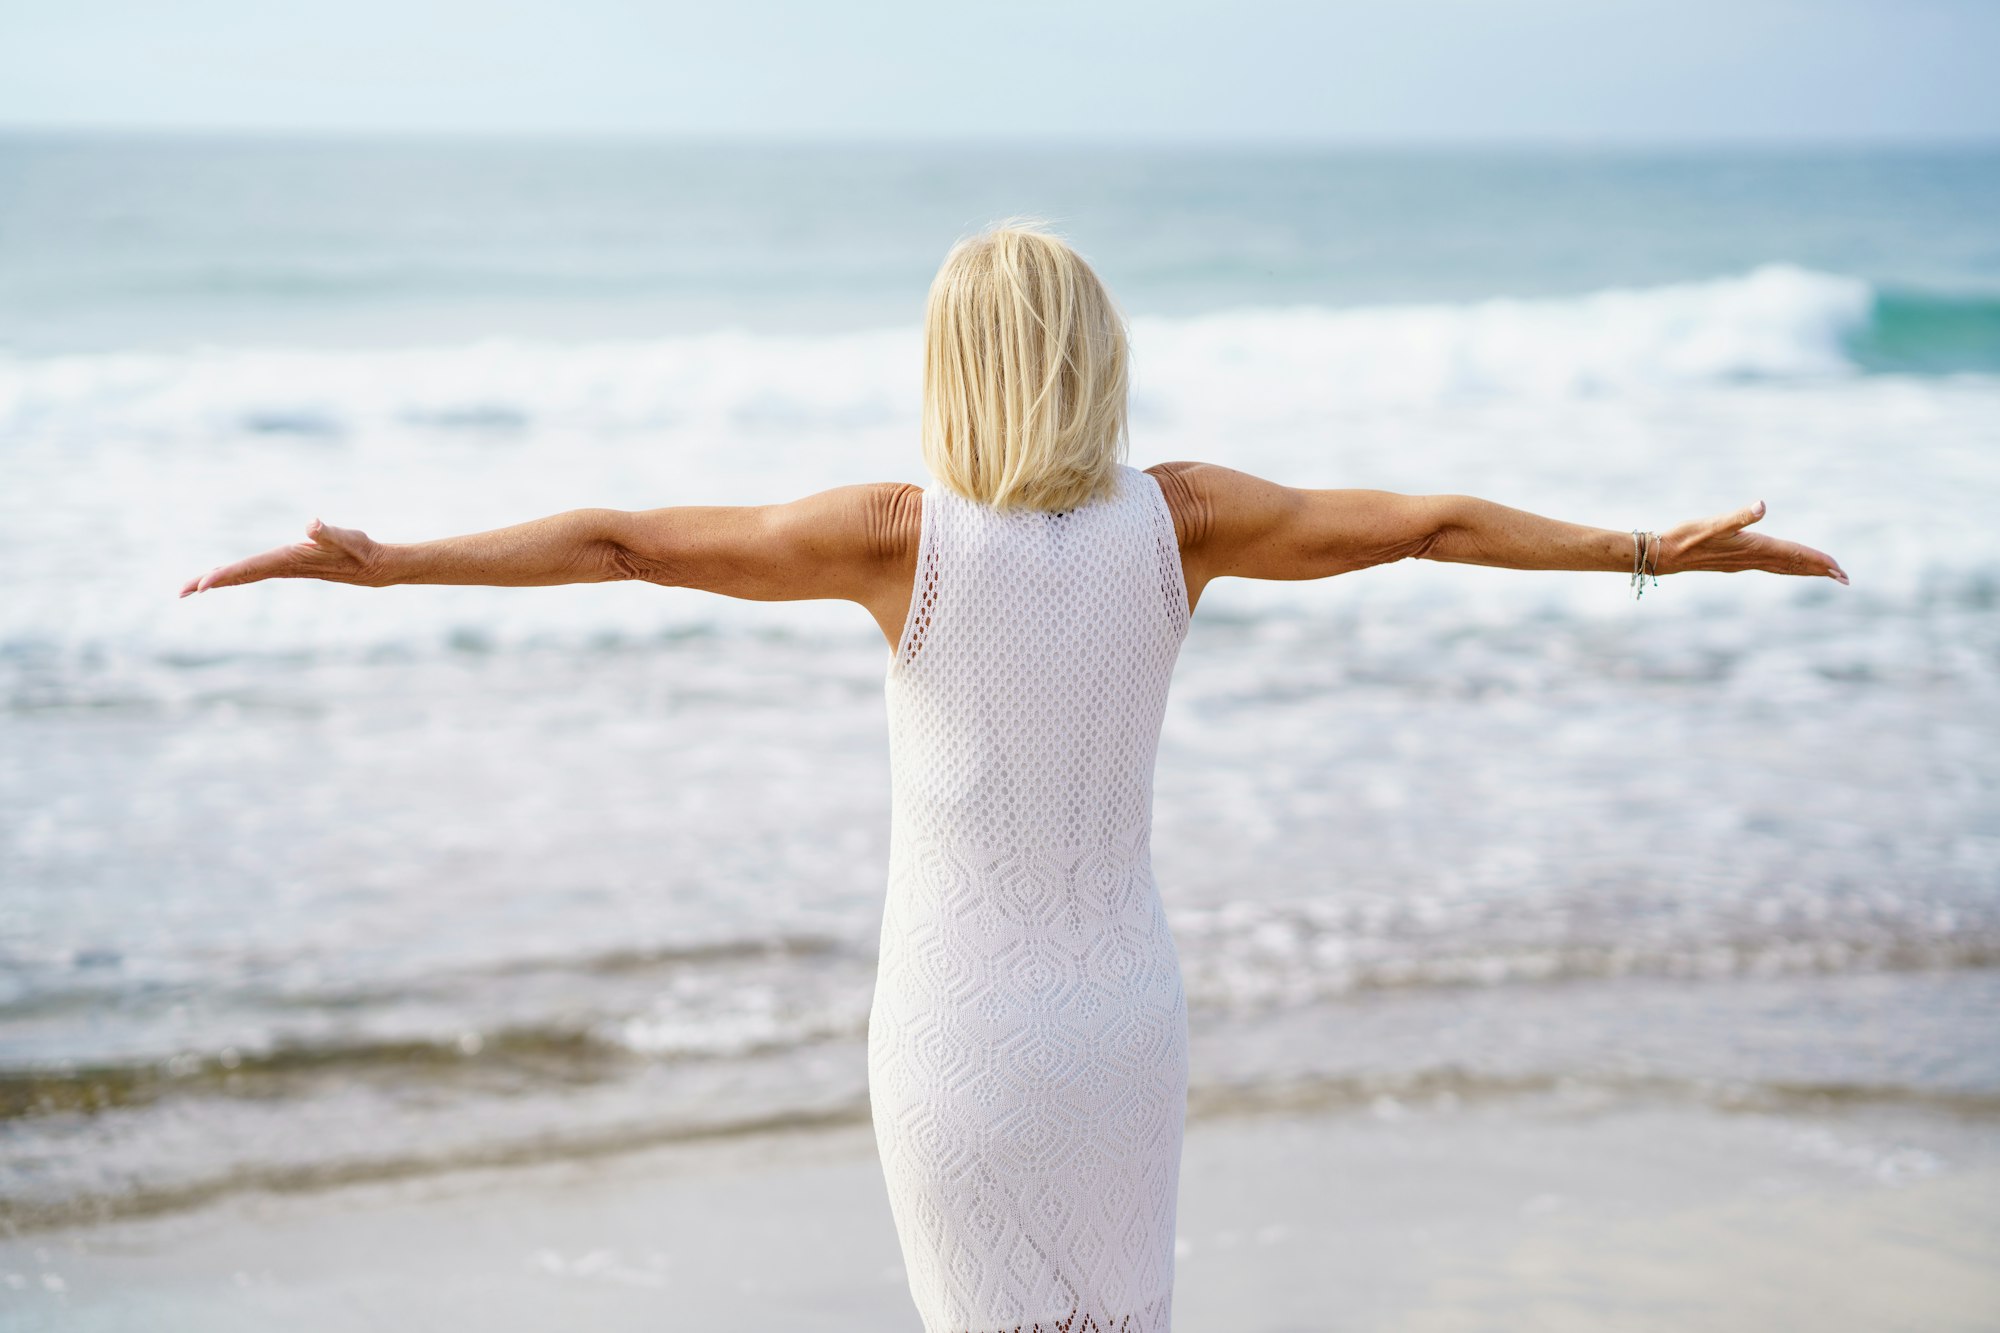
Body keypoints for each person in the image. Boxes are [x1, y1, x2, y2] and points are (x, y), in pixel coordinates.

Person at [179, 221, 1847, 1333]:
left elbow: (619, 541)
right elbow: (1428, 524)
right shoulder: (1185, 518)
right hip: (1123, 1017)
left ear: (952, 366)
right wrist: (1642, 547)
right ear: (1091, 355)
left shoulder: (897, 539)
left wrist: (391, 563)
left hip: (960, 1028)